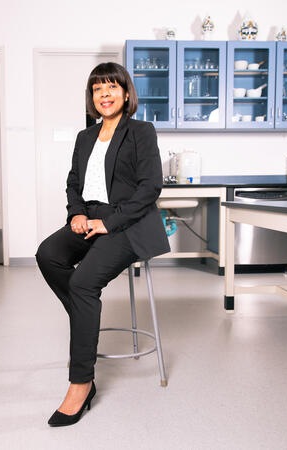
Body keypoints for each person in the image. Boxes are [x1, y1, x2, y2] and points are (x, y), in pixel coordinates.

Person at [36, 62, 170, 427]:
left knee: (82, 284)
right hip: (89, 218)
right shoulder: (85, 137)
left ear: (126, 93)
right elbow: (73, 182)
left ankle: (81, 384)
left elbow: (150, 187)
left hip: (128, 222)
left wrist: (108, 223)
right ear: (91, 98)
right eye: (98, 89)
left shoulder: (141, 131)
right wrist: (76, 214)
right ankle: (85, 317)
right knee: (48, 254)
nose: (105, 95)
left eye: (112, 87)